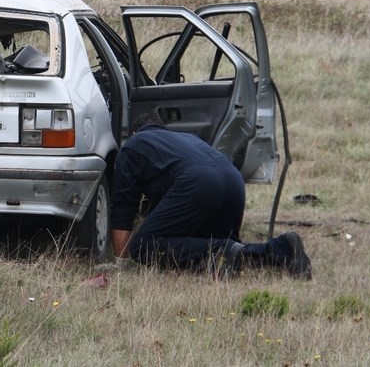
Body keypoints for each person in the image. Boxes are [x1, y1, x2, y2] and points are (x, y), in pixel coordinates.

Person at [108, 110, 312, 279]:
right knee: (228, 251)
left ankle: (225, 252)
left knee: (144, 246)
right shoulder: (186, 138)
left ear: (135, 132)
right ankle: (281, 249)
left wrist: (121, 264)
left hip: (197, 183)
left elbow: (124, 207)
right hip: (233, 180)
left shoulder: (135, 144)